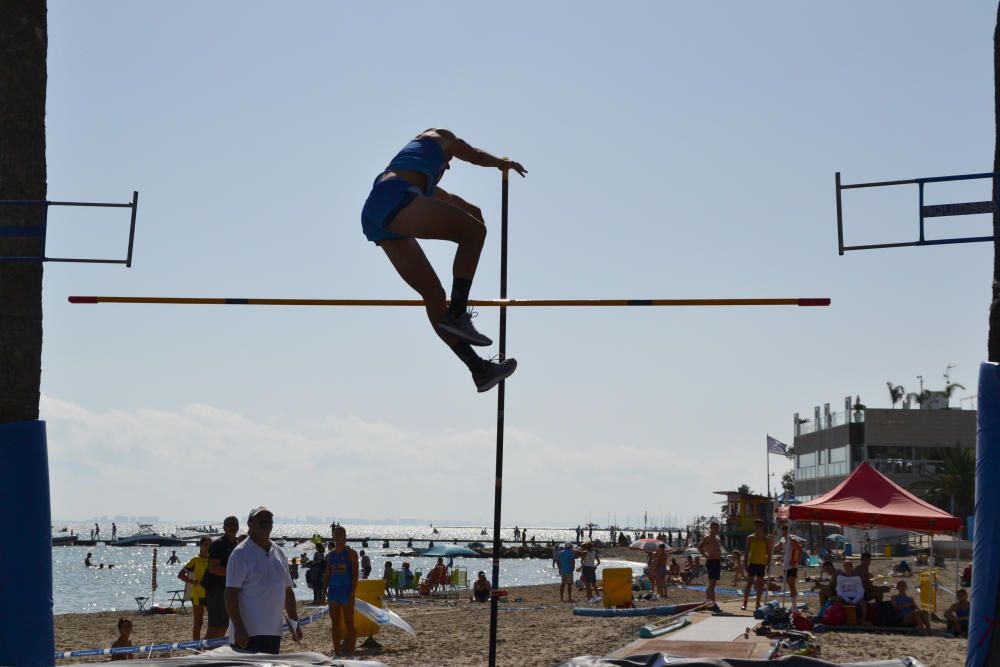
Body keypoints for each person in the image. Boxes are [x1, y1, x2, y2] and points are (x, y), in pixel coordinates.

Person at [360, 129, 526, 392]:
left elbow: (452, 201)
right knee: (474, 232)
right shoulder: (439, 135)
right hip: (392, 197)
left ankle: (479, 370)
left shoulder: (415, 176)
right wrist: (501, 164)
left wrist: (474, 213)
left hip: (376, 213)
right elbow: (473, 154)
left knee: (434, 296)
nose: (447, 167)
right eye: (448, 163)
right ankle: (458, 313)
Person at [225, 507, 301, 654]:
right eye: (261, 518)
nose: (265, 521)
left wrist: (294, 622)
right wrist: (239, 628)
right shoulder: (240, 554)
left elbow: (287, 590)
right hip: (247, 634)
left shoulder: (279, 552)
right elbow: (230, 594)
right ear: (250, 524)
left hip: (273, 633)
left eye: (269, 518)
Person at [323, 524, 359, 657]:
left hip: (346, 591)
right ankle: (337, 651)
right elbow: (328, 573)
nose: (337, 537)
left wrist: (352, 592)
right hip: (333, 591)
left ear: (345, 538)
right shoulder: (330, 555)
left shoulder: (351, 554)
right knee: (335, 622)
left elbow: (355, 575)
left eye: (340, 535)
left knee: (349, 622)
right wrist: (324, 589)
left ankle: (351, 652)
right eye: (335, 535)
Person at [201, 516, 240, 639]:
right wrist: (237, 574)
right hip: (215, 589)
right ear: (224, 528)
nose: (233, 527)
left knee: (223, 626)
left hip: (227, 589)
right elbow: (214, 568)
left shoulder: (236, 544)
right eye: (229, 525)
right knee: (216, 626)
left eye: (235, 524)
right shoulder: (218, 544)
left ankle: (210, 652)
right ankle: (204, 653)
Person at [178, 536, 212, 641]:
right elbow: (181, 575)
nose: (208, 547)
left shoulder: (213, 559)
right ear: (200, 546)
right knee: (198, 622)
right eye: (206, 544)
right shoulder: (195, 560)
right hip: (197, 594)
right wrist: (193, 582)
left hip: (211, 594)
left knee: (213, 622)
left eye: (210, 544)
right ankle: (196, 647)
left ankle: (210, 645)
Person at [742, 519, 771, 611]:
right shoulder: (750, 537)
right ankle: (744, 603)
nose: (757, 528)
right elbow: (746, 551)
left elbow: (769, 552)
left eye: (759, 526)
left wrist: (769, 564)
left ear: (762, 527)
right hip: (752, 563)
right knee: (749, 583)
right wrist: (745, 563)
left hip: (762, 564)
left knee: (760, 584)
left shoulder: (765, 538)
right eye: (756, 526)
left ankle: (758, 603)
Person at [699, 521, 723, 611]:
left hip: (717, 561)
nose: (716, 530)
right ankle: (712, 604)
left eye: (717, 528)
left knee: (713, 584)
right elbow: (700, 547)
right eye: (714, 528)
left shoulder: (717, 539)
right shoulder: (707, 538)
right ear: (710, 528)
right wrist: (706, 555)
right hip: (711, 561)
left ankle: (709, 602)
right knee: (712, 583)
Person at [780, 525, 803, 609]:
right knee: (789, 585)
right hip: (785, 566)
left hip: (792, 565)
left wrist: (797, 561)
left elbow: (800, 550)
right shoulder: (783, 540)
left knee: (791, 584)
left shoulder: (792, 540)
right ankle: (793, 604)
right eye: (783, 531)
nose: (784, 532)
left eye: (786, 531)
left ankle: (794, 606)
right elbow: (776, 547)